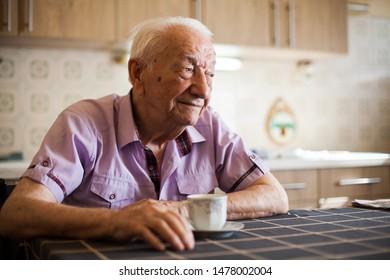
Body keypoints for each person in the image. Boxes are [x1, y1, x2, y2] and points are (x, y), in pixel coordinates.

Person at [0, 17, 288, 251]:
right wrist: (115, 222)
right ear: (138, 74)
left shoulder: (210, 125)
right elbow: (16, 214)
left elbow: (274, 196)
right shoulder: (84, 124)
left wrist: (179, 210)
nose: (204, 90)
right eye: (187, 70)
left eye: (210, 74)